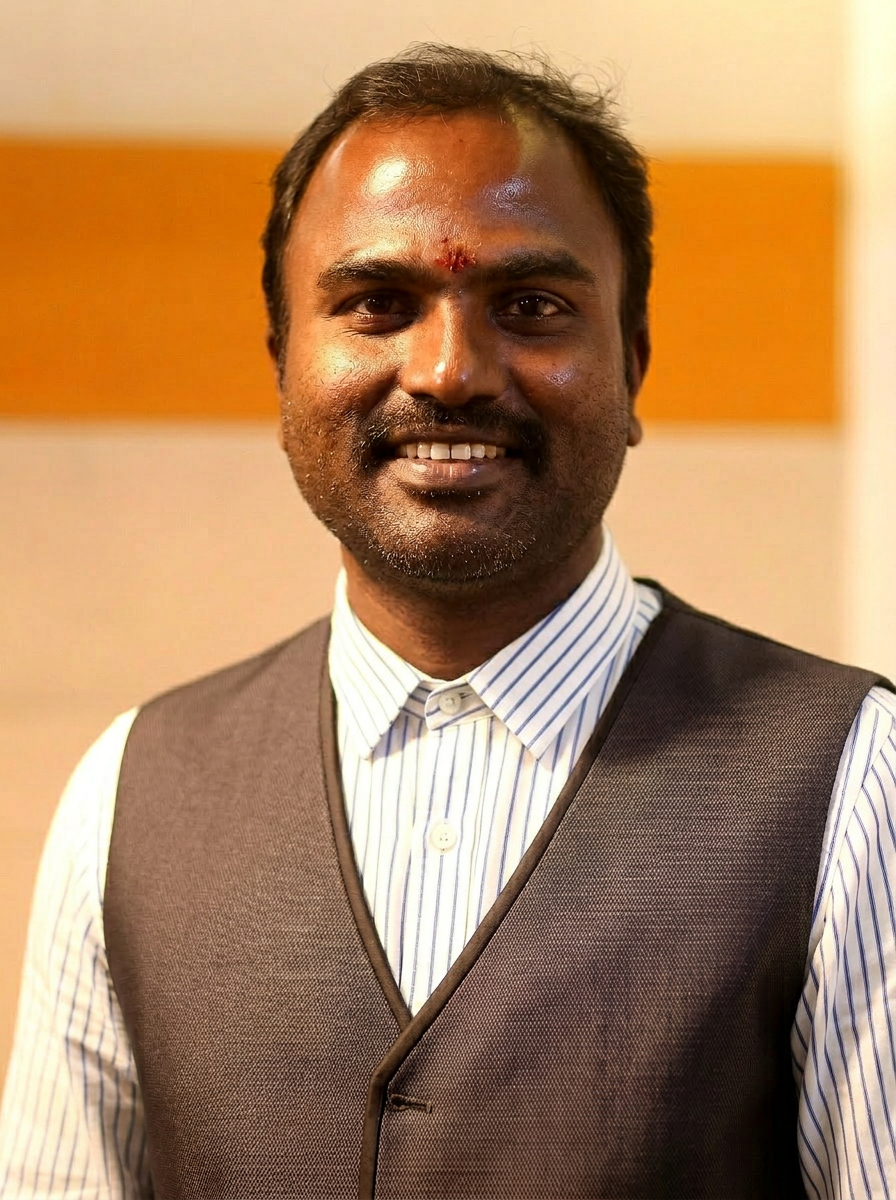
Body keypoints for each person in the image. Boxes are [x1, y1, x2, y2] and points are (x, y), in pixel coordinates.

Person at [1, 43, 895, 1200]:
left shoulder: (852, 782)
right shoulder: (127, 797)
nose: (448, 371)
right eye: (376, 304)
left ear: (631, 364)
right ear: (282, 367)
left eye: (530, 306)